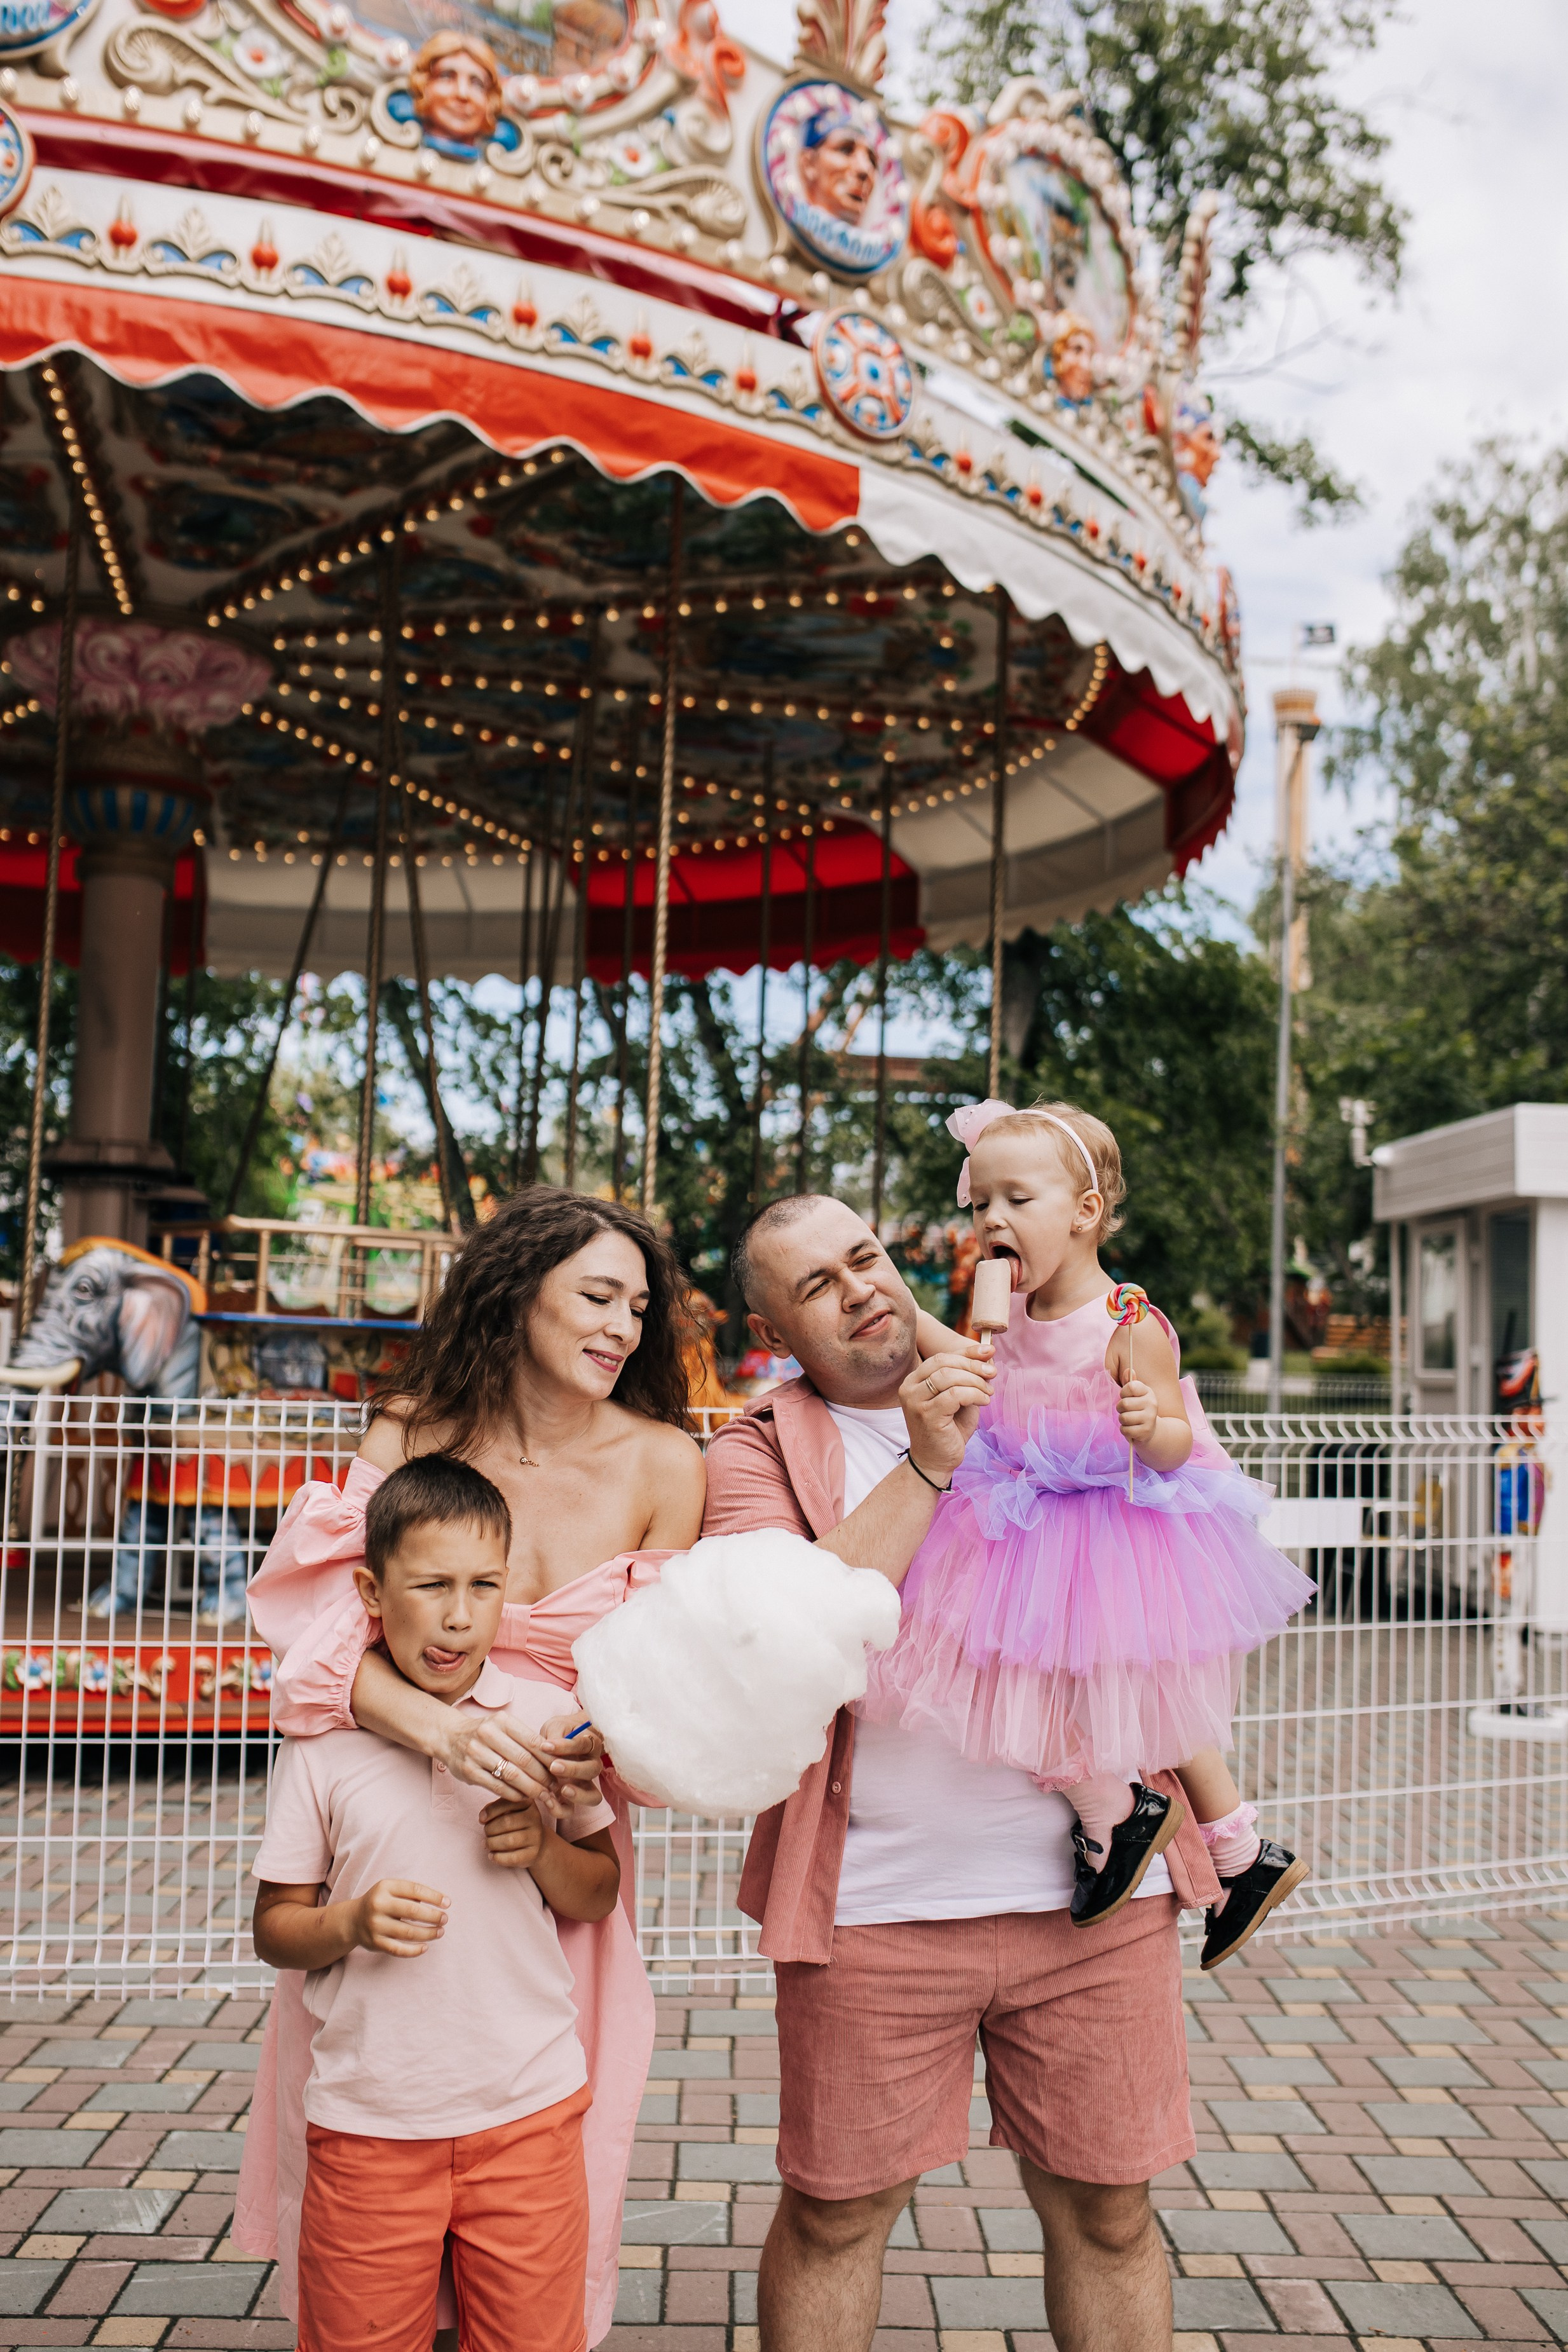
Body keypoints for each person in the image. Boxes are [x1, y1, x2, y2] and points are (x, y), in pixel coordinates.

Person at [703, 1192, 1222, 2352]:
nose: (861, 1289)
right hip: (877, 1913)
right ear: (775, 1329)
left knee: (1108, 2210)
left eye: (868, 1257)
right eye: (818, 1286)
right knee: (839, 2217)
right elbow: (777, 1630)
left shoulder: (1043, 1378)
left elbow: (1182, 1532)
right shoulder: (755, 1449)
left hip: (1097, 1907)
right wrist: (929, 1464)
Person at [232, 1188, 705, 2348]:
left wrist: (566, 1786)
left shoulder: (664, 1461)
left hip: (553, 1851)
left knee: (538, 2186)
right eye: (598, 1295)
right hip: (394, 1809)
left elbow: (664, 1685)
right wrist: (441, 1731)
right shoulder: (408, 1428)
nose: (624, 1327)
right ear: (515, 1294)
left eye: (639, 1307)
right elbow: (321, 1635)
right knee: (381, 2159)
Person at [863, 1098, 1312, 1963]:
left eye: (1016, 1201)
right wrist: (891, 1298)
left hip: (1111, 1517)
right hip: (1019, 1509)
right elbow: (975, 1365)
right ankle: (1177, 1827)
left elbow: (1180, 1443)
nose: (991, 1219)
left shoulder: (1127, 1321)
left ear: (1085, 1213)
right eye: (980, 1203)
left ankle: (1202, 1834)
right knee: (1019, 1676)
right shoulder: (1013, 1315)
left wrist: (1151, 1425)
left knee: (1135, 1687)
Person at [252, 1453, 618, 2352]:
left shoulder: (547, 1716)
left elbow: (600, 1890)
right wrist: (350, 1923)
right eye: (433, 1585)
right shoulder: (324, 1745)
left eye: (485, 1585)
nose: (460, 1614)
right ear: (373, 1593)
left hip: (529, 2109)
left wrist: (542, 1851)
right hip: (370, 2120)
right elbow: (275, 1928)